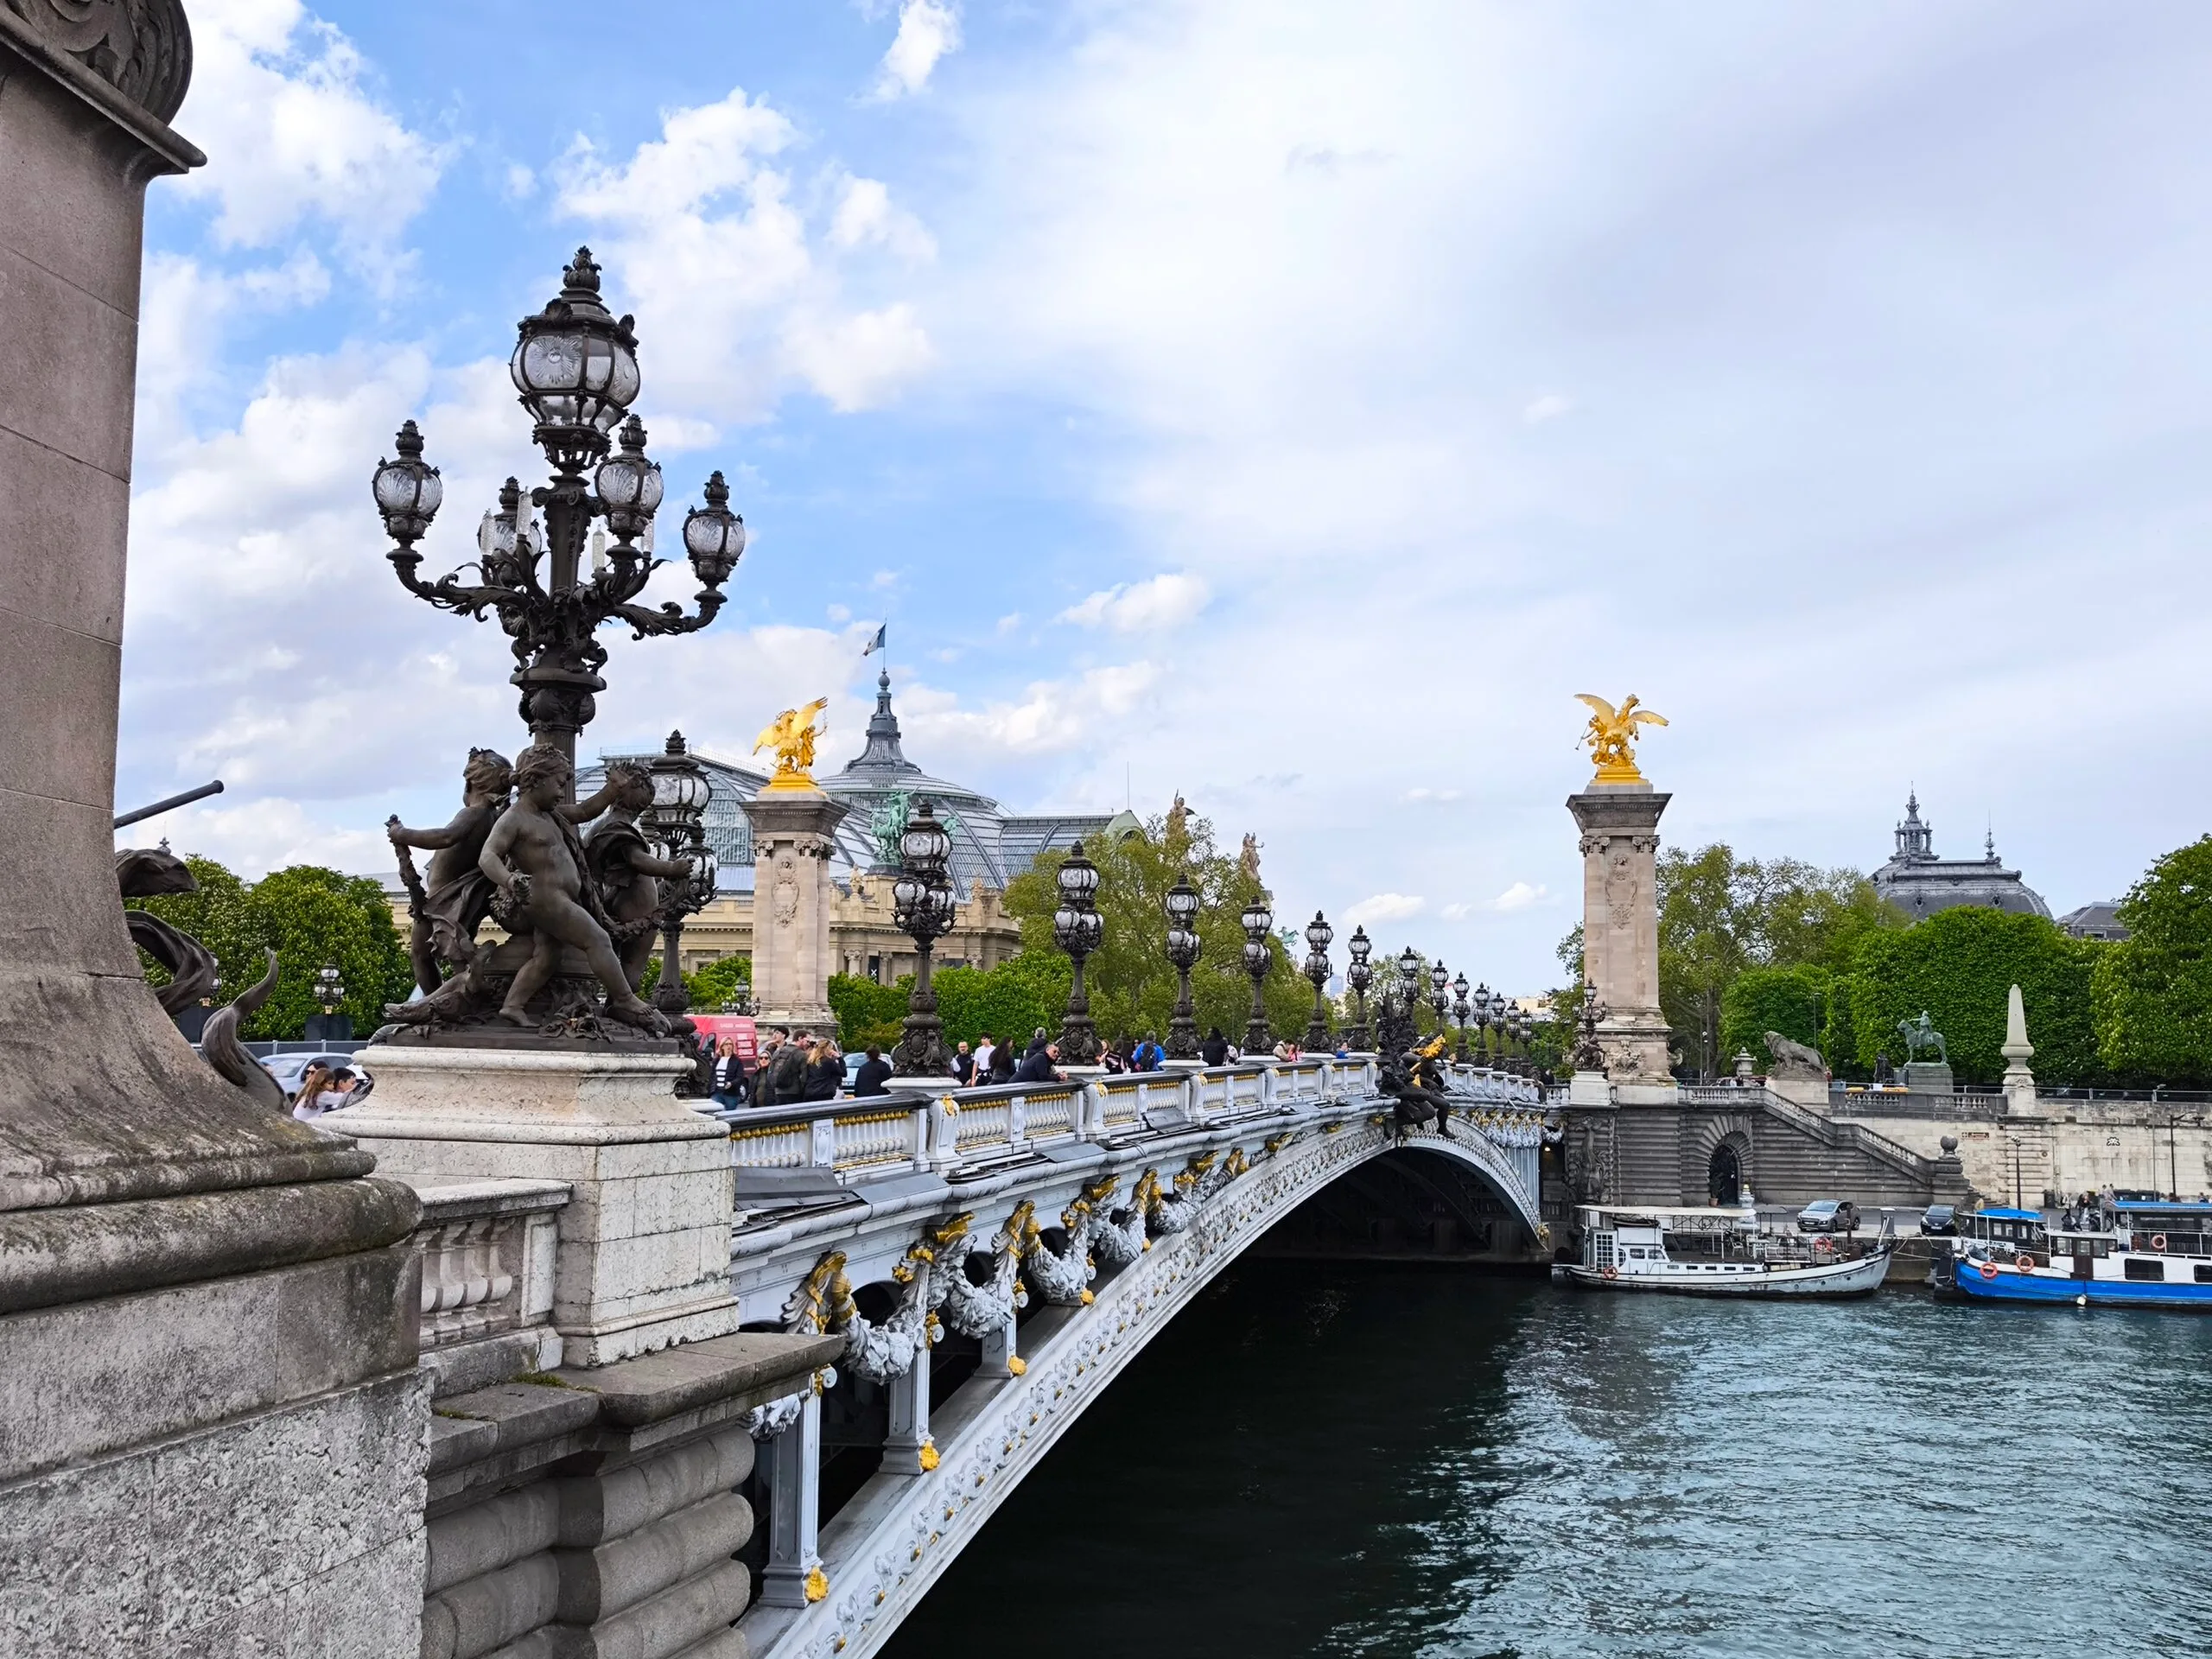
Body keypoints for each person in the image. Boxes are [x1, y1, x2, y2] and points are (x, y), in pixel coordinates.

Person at [710, 1038, 748, 1109]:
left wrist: (731, 1083)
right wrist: (711, 1090)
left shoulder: (737, 1061)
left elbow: (740, 1077)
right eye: (726, 1044)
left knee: (729, 1114)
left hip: (731, 1094)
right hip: (717, 1092)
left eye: (730, 1044)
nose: (729, 1046)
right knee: (715, 1112)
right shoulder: (716, 1060)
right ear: (722, 1046)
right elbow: (712, 1076)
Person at [803, 1038, 842, 1102]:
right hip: (824, 1093)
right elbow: (843, 1073)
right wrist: (840, 1058)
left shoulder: (810, 1060)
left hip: (810, 1091)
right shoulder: (829, 1061)